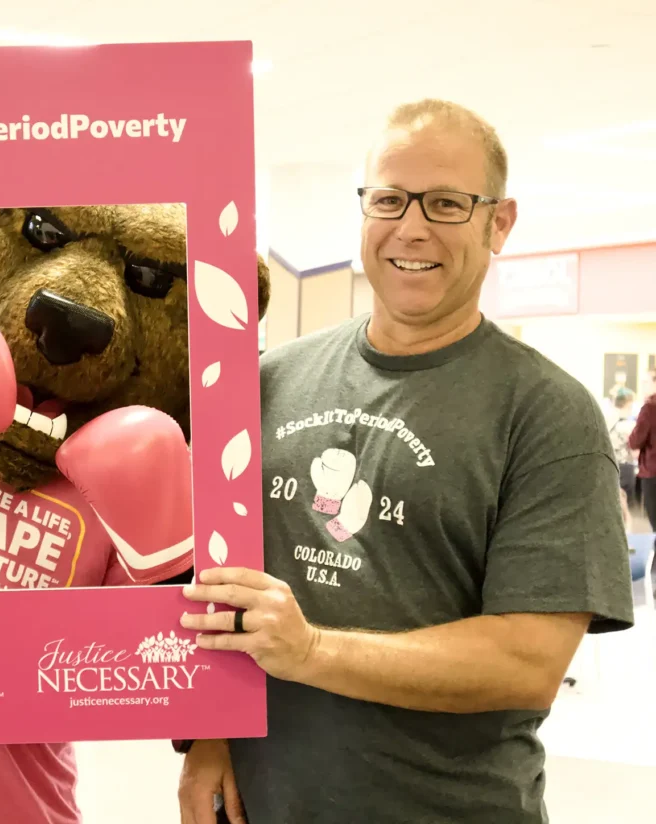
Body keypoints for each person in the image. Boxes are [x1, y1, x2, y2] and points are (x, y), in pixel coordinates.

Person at [175, 99, 635, 824]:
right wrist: (211, 731)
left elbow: (526, 662)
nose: (411, 227)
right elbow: (225, 589)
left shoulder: (547, 413)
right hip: (264, 805)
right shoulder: (267, 380)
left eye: (447, 203)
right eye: (388, 199)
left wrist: (312, 651)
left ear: (499, 223)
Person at [629, 368, 655, 535]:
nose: (642, 386)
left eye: (646, 382)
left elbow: (635, 440)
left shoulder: (650, 408)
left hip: (653, 472)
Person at [609, 387, 638, 506]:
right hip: (626, 468)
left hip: (611, 466)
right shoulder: (630, 426)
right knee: (625, 507)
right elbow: (635, 453)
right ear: (628, 404)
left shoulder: (608, 420)